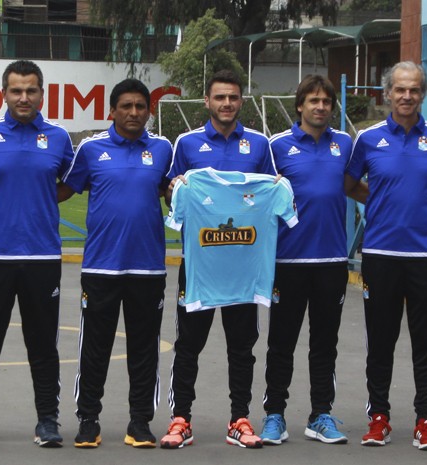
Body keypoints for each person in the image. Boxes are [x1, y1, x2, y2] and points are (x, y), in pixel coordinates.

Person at [159, 70, 275, 450]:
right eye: (220, 97)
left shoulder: (259, 144)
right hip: (200, 267)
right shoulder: (187, 143)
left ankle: (239, 419)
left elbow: (271, 192)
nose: (227, 103)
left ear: (242, 101)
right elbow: (170, 194)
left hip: (244, 268)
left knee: (242, 348)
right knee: (188, 345)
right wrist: (174, 189)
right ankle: (181, 419)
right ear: (207, 101)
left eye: (234, 97)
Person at [344, 61, 427, 450]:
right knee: (381, 342)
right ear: (387, 93)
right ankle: (379, 418)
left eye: (414, 89)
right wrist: (379, 200)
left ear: (423, 94)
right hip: (380, 254)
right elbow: (349, 184)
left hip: (426, 255)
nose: (407, 96)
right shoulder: (368, 139)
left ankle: (426, 421)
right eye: (400, 89)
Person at [58, 79, 173, 449]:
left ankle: (140, 422)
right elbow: (63, 190)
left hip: (148, 268)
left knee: (144, 350)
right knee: (94, 348)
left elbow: (172, 193)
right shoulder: (91, 149)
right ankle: (88, 420)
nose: (134, 112)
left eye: (140, 106)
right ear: (112, 111)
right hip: (101, 267)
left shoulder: (163, 149)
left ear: (149, 111)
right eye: (126, 106)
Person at [0, 60, 74, 448]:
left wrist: (39, 199)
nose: (23, 97)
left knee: (43, 345)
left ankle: (47, 421)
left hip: (41, 257)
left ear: (41, 94)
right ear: (3, 94)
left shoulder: (59, 138)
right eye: (16, 90)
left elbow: (71, 183)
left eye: (31, 90)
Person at [258, 75, 352, 445]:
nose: (320, 107)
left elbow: (357, 185)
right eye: (313, 101)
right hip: (288, 261)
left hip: (332, 260)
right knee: (281, 343)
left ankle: (320, 415)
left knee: (325, 344)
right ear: (300, 106)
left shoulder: (344, 144)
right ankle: (274, 415)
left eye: (326, 102)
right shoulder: (277, 146)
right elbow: (257, 195)